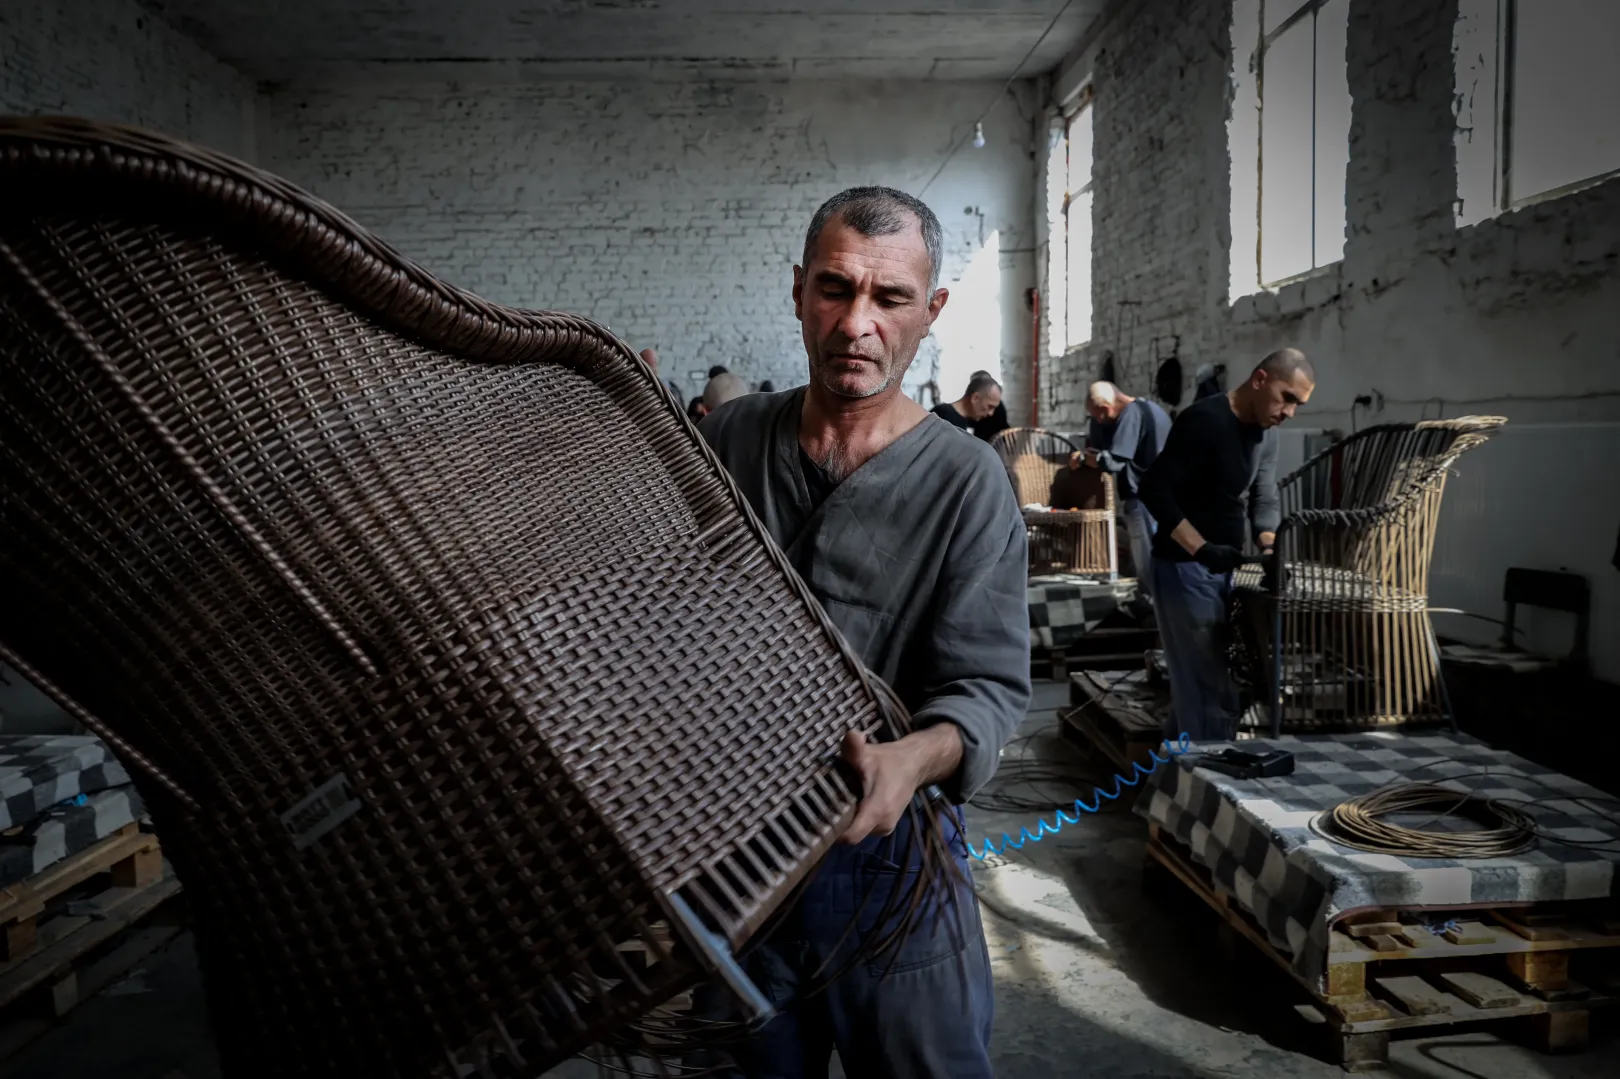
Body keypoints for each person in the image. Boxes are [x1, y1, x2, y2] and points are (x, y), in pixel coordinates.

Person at [695, 186, 1028, 1078]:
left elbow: (988, 689)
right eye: (836, 289)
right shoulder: (728, 442)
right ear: (798, 290)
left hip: (891, 856)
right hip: (741, 854)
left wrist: (908, 760)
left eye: (889, 298)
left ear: (932, 310)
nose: (857, 323)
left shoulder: (965, 482)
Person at [1139, 349, 1314, 741]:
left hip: (1224, 568)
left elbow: (1263, 499)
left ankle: (1173, 784)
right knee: (1206, 686)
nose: (1290, 412)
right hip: (1184, 568)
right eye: (1287, 398)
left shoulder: (1267, 434)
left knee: (1202, 684)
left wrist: (1269, 548)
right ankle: (1207, 784)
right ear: (1259, 379)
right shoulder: (1204, 420)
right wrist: (1200, 548)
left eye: (1299, 405)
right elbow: (1155, 489)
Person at [1081, 381, 1170, 594]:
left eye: (1097, 415)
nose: (1099, 421)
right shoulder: (1150, 408)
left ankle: (1153, 610)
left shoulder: (1131, 415)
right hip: (1162, 496)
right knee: (1157, 557)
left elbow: (1114, 461)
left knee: (1147, 561)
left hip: (1143, 498)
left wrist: (1086, 458)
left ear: (1105, 408)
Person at [930, 372, 1001, 432]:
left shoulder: (972, 421)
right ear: (975, 398)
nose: (991, 413)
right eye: (990, 406)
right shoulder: (942, 415)